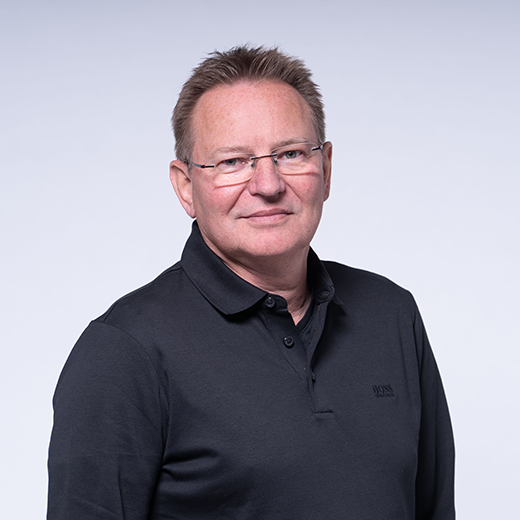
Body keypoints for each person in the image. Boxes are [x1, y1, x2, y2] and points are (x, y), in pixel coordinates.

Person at [47, 45, 455, 519]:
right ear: (185, 187)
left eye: (291, 154)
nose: (268, 184)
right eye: (233, 162)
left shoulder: (391, 314)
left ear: (325, 169)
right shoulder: (124, 351)